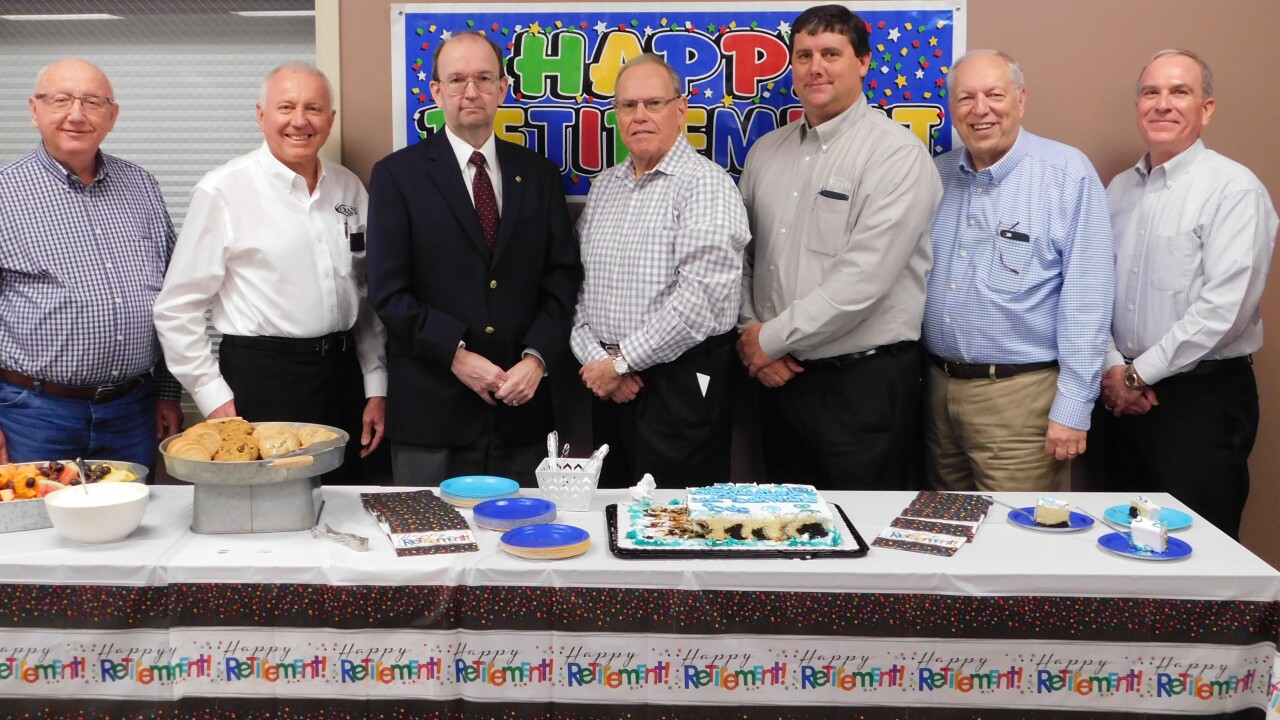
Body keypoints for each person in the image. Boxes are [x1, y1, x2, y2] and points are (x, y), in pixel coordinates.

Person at [737, 5, 941, 491]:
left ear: (864, 62)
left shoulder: (895, 155)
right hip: (779, 382)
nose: (816, 67)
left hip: (862, 386)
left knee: (864, 540)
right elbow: (743, 255)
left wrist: (767, 341)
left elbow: (863, 281)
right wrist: (753, 336)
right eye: (803, 55)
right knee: (785, 533)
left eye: (831, 53)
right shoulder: (766, 151)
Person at [153, 62, 387, 483]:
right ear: (262, 115)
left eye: (314, 108)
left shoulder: (349, 187)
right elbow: (176, 308)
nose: (300, 121)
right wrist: (215, 399)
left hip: (342, 375)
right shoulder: (223, 189)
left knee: (348, 505)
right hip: (261, 380)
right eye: (286, 107)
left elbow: (366, 295)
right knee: (272, 517)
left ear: (330, 120)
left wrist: (376, 385)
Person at [366, 32, 580, 487]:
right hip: (432, 415)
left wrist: (537, 360)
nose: (471, 91)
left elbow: (561, 277)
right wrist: (458, 356)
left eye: (484, 78)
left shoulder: (539, 175)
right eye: (457, 79)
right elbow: (388, 292)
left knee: (524, 545)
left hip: (522, 410)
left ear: (503, 89)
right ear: (436, 91)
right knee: (431, 550)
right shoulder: (396, 176)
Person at [1089, 49, 1277, 539]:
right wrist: (1116, 370)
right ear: (1138, 105)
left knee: (1195, 550)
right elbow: (1095, 289)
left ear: (1206, 109)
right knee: (1112, 542)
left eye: (1179, 92)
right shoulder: (1117, 191)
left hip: (1200, 402)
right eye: (1151, 92)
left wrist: (1136, 375)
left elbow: (1225, 311)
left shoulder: (1234, 190)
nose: (1162, 104)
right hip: (1118, 398)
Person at [922, 50, 1114, 493]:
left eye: (994, 94)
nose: (980, 109)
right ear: (952, 109)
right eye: (966, 98)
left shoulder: (1065, 173)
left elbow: (1088, 296)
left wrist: (1073, 407)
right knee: (947, 535)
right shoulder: (938, 175)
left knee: (1019, 546)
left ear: (1021, 101)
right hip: (937, 393)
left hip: (1021, 400)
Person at [572, 53, 749, 488]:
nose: (640, 116)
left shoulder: (706, 184)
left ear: (681, 109)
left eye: (654, 103)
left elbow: (699, 302)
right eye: (628, 106)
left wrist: (619, 362)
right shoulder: (605, 187)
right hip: (608, 386)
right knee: (611, 513)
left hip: (681, 384)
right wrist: (600, 362)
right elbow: (576, 288)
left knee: (676, 524)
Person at [0, 58, 182, 474]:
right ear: (34, 110)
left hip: (133, 411)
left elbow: (174, 297)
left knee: (133, 529)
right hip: (34, 413)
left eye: (93, 102)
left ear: (112, 116)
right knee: (37, 531)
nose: (76, 115)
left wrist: (167, 391)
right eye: (61, 100)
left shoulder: (142, 187)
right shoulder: (5, 192)